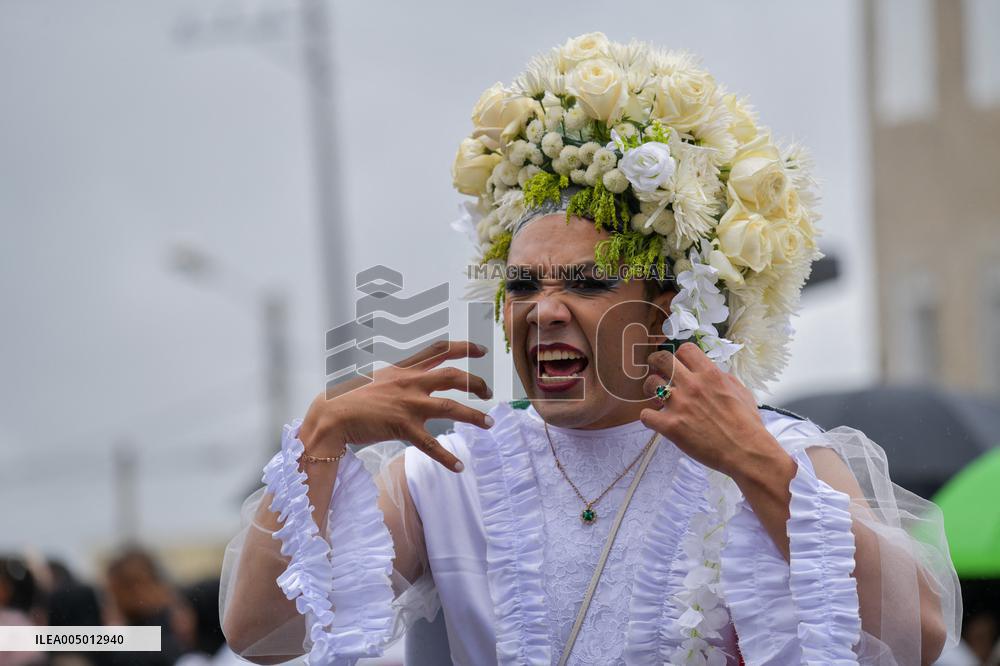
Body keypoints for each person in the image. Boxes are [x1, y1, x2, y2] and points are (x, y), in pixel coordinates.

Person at [220, 32, 962, 665]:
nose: (544, 312)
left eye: (587, 282)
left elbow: (916, 637)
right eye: (521, 287)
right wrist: (325, 431)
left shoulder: (770, 454)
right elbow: (258, 631)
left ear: (664, 305)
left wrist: (757, 467)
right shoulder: (452, 473)